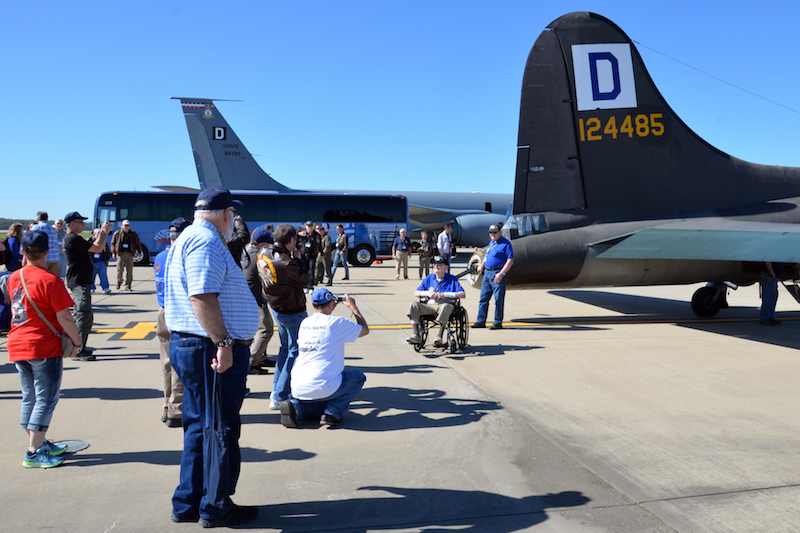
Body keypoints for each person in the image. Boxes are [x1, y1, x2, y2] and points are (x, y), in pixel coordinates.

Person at [164, 187, 260, 527]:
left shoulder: (190, 237)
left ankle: (188, 501)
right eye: (233, 214)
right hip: (209, 347)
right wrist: (223, 342)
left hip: (194, 344)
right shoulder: (205, 241)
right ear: (225, 213)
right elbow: (202, 296)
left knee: (199, 426)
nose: (234, 220)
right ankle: (216, 505)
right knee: (220, 427)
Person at [7, 231, 81, 468]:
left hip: (18, 343)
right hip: (42, 345)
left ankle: (36, 442)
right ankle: (33, 451)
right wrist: (77, 343)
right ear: (47, 252)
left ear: (23, 252)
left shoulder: (13, 278)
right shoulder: (50, 280)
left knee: (29, 397)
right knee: (46, 399)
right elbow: (65, 318)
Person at [280, 288, 369, 428]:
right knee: (358, 377)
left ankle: (296, 409)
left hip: (299, 386)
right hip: (325, 385)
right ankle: (332, 413)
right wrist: (353, 307)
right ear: (331, 304)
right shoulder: (335, 323)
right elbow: (364, 330)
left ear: (313, 304)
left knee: (315, 405)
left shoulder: (305, 323)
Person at [257, 223, 309, 410]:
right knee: (295, 351)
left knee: (285, 350)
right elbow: (305, 279)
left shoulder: (263, 253)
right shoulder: (287, 263)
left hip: (277, 306)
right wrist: (298, 257)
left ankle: (276, 390)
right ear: (292, 241)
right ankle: (280, 395)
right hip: (292, 310)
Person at [154, 217, 190, 428]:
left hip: (163, 309)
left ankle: (167, 406)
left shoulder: (161, 256)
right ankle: (177, 408)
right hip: (180, 312)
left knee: (166, 361)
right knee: (180, 363)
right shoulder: (183, 257)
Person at [63, 212, 112, 361]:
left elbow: (94, 246)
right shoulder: (72, 238)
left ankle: (80, 346)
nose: (83, 225)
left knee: (84, 316)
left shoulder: (75, 238)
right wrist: (104, 232)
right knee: (83, 314)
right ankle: (78, 349)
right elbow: (97, 248)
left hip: (81, 281)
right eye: (80, 222)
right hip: (79, 282)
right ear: (72, 224)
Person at [407, 256, 466, 346]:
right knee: (413, 304)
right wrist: (428, 293)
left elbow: (462, 294)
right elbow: (416, 293)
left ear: (446, 267)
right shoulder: (429, 278)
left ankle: (439, 336)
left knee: (446, 307)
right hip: (430, 305)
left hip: (445, 304)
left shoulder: (452, 279)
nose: (436, 266)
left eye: (439, 265)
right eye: (435, 265)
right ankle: (416, 335)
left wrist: (444, 294)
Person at [242, 225, 275, 374]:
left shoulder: (246, 250)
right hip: (255, 299)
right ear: (262, 245)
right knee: (266, 329)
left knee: (257, 329)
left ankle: (261, 357)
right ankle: (251, 362)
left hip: (247, 297)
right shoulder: (258, 257)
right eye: (268, 244)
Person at [473, 224, 514, 330]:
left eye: (495, 232)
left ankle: (498, 322)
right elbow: (486, 256)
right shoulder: (491, 243)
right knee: (483, 298)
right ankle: (481, 321)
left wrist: (501, 273)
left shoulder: (506, 244)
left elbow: (510, 261)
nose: (492, 234)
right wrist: (481, 266)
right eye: (491, 232)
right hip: (487, 273)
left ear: (500, 232)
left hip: (497, 273)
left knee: (498, 299)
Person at [110, 220, 142, 291]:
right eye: (125, 225)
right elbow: (112, 243)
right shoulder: (117, 233)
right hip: (120, 254)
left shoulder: (133, 234)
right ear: (122, 226)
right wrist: (113, 252)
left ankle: (128, 286)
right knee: (120, 270)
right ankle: (119, 281)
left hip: (130, 254)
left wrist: (139, 252)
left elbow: (138, 243)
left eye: (127, 225)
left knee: (129, 271)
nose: (126, 227)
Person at [32, 212, 61, 276]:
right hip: (55, 257)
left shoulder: (36, 227)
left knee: (42, 278)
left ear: (37, 219)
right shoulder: (53, 229)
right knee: (54, 279)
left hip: (43, 257)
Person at [297, 220, 321, 289]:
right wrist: (298, 234)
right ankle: (305, 285)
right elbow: (296, 242)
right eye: (308, 226)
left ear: (313, 227)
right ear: (306, 227)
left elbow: (320, 245)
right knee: (304, 270)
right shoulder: (302, 235)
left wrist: (321, 254)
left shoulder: (317, 235)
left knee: (311, 270)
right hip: (304, 255)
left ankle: (310, 286)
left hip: (312, 255)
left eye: (311, 226)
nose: (309, 227)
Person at [760, 262, 783, 326]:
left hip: (772, 276)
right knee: (768, 297)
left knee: (773, 296)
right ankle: (765, 318)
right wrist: (771, 271)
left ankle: (770, 317)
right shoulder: (771, 254)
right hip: (769, 275)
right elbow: (768, 262)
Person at [90, 228, 112, 294]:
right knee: (91, 276)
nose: (99, 235)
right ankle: (91, 288)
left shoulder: (103, 242)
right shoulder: (90, 241)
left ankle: (105, 288)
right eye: (97, 233)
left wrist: (107, 259)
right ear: (94, 234)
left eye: (100, 233)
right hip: (92, 262)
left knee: (103, 275)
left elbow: (107, 251)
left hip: (101, 261)